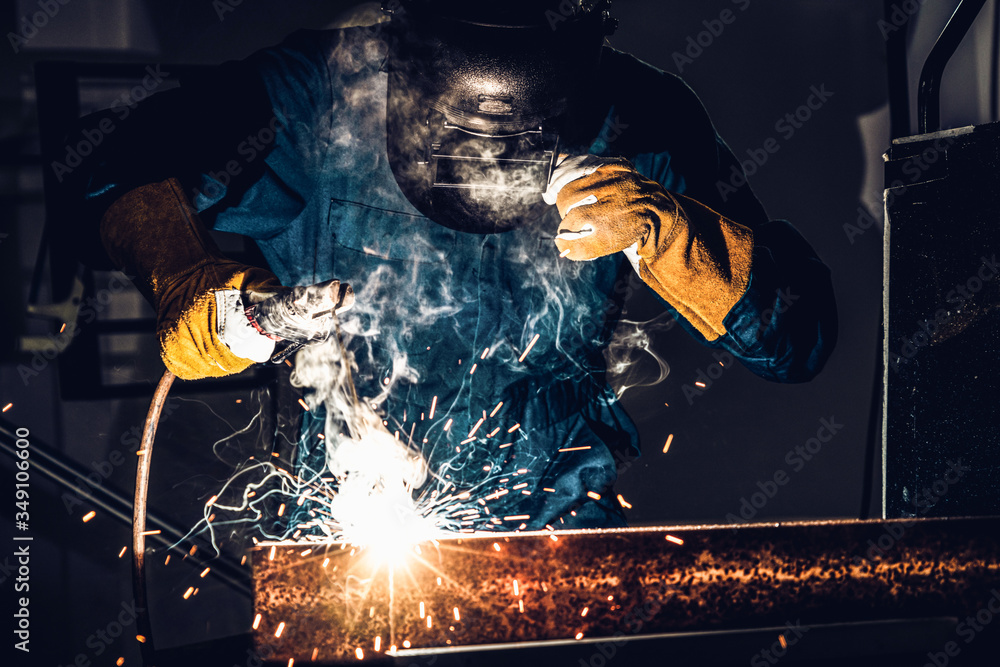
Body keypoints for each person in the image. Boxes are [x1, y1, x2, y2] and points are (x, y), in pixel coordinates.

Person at [75, 0, 836, 530]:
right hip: (350, 509)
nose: (491, 155)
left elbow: (799, 340)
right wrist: (181, 276)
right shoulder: (317, 96)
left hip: (559, 526)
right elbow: (111, 164)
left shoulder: (645, 118)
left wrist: (673, 232)